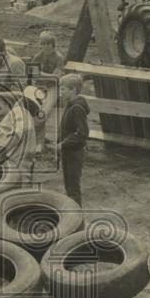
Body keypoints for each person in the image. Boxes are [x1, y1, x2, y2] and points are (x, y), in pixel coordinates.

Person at [56, 73, 89, 206]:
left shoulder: (77, 108)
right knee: (69, 186)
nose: (60, 92)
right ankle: (73, 216)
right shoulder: (70, 105)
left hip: (74, 154)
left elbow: (82, 133)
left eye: (63, 89)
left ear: (73, 89)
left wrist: (63, 143)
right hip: (68, 152)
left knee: (73, 188)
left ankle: (77, 219)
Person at [30, 30, 65, 153]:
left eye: (47, 44)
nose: (44, 46)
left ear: (52, 44)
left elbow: (56, 77)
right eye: (42, 43)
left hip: (52, 88)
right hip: (39, 87)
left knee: (44, 111)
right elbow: (34, 75)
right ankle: (39, 142)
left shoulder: (59, 57)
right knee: (35, 109)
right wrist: (45, 75)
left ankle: (39, 143)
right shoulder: (38, 56)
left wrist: (41, 74)